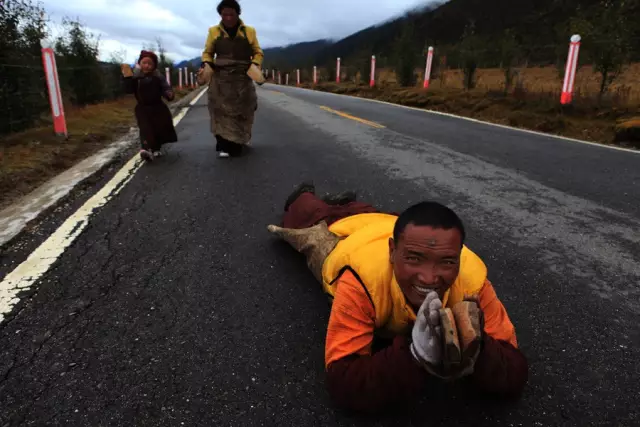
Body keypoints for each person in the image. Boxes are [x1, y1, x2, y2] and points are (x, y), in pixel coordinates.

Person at [267, 182, 529, 414]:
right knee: (307, 217)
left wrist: (482, 351)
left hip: (384, 220)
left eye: (447, 262)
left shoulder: (473, 280)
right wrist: (412, 356)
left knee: (369, 211)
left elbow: (515, 370)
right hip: (345, 238)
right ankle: (313, 198)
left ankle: (347, 204)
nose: (429, 278)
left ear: (459, 257)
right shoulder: (363, 279)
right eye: (414, 259)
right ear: (392, 252)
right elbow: (342, 383)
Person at [198, 0, 264, 158]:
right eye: (224, 14)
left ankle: (240, 139)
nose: (228, 18)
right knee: (220, 110)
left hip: (242, 76)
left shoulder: (249, 31)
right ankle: (224, 144)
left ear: (238, 14)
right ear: (220, 15)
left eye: (231, 14)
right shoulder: (213, 31)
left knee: (244, 109)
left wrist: (255, 65)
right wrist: (207, 64)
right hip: (221, 76)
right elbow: (208, 52)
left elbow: (258, 52)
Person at [121, 50, 177, 161]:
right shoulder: (135, 77)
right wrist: (127, 78)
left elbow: (165, 88)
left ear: (154, 66)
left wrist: (169, 94)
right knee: (145, 128)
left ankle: (156, 148)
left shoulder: (158, 77)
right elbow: (128, 90)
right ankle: (145, 149)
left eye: (149, 63)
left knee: (159, 127)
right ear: (139, 63)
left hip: (158, 107)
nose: (146, 66)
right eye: (144, 63)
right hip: (142, 108)